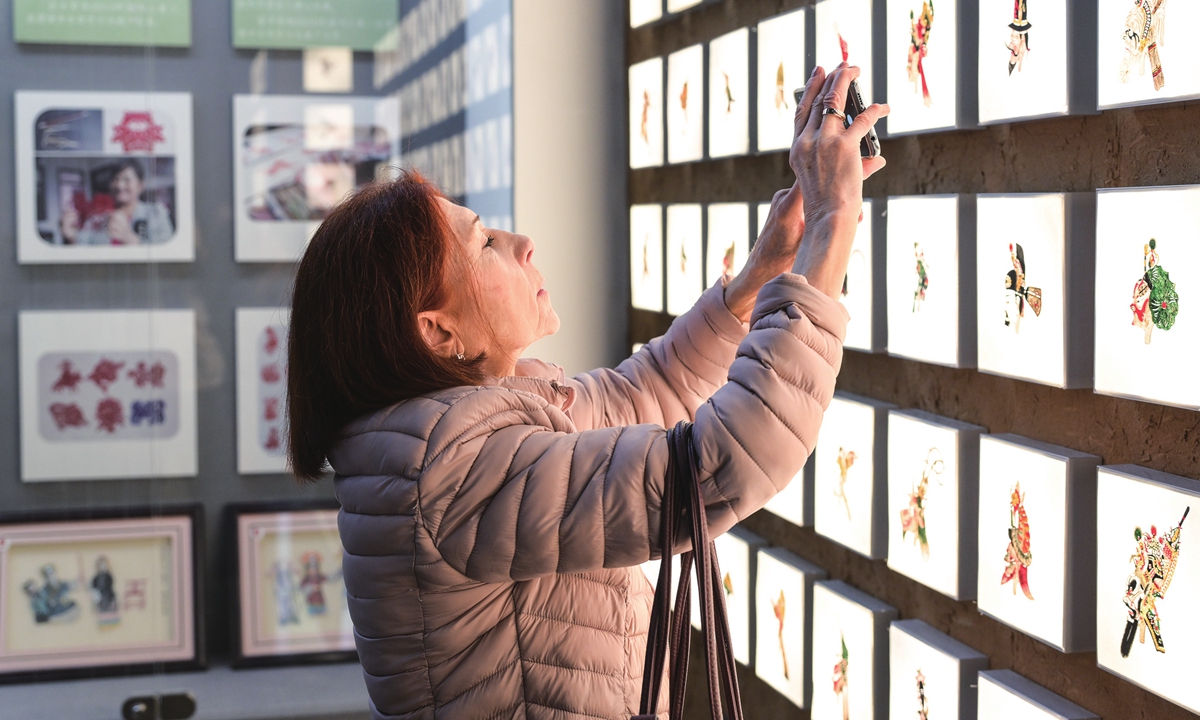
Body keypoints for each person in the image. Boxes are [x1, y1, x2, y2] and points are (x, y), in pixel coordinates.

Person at [287, 63, 887, 719]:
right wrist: (831, 223)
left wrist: (763, 271)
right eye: (485, 242)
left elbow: (644, 394)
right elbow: (715, 466)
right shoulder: (451, 473)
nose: (522, 244)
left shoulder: (448, 434)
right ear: (437, 333)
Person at [61, 158, 174, 245]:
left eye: (126, 180)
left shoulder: (155, 212)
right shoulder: (102, 216)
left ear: (140, 186)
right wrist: (71, 234)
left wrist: (130, 239)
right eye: (116, 179)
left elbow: (166, 249)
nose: (119, 185)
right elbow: (87, 244)